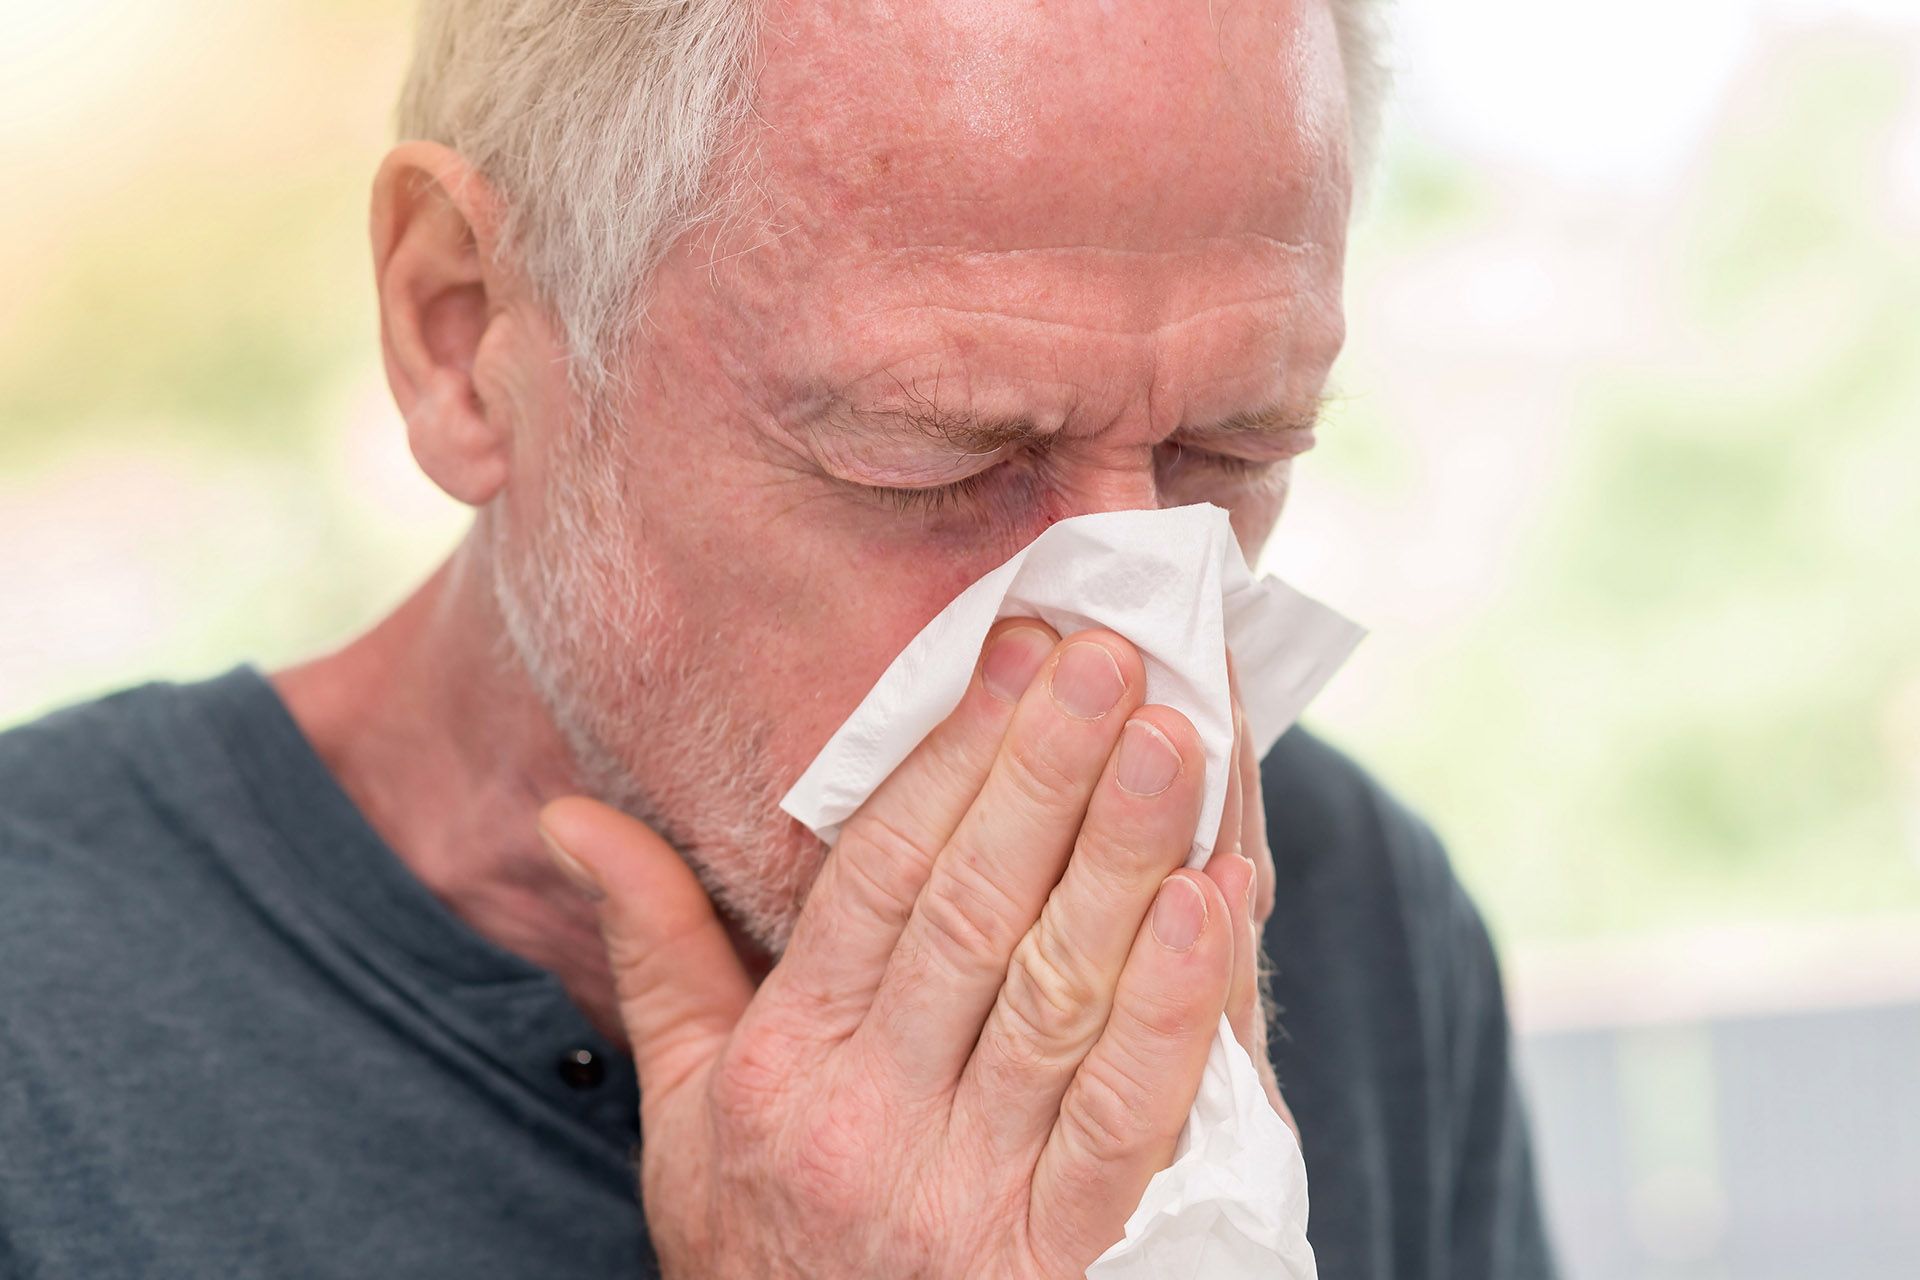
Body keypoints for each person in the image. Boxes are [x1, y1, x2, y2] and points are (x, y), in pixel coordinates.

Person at [0, 0, 1556, 1275]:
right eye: (935, 460)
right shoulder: (44, 1043)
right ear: (463, 332)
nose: (1114, 650)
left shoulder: (1352, 928)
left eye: (1232, 452)